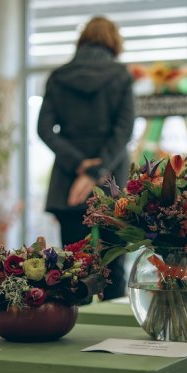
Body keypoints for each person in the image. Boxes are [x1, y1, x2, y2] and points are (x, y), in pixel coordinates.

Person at [37, 16, 134, 300]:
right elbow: (124, 130)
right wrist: (98, 169)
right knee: (115, 265)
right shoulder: (121, 75)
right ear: (113, 41)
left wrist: (80, 165)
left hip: (68, 182)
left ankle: (73, 322)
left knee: (71, 266)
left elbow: (44, 129)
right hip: (112, 178)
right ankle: (114, 321)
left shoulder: (59, 76)